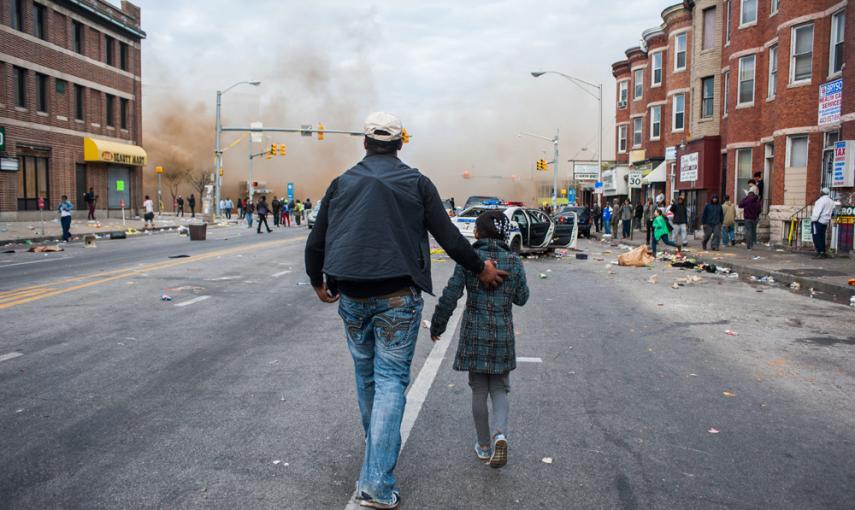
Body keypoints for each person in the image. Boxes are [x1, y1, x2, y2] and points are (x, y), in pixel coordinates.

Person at [305, 112, 507, 509]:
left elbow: (317, 240)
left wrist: (317, 281)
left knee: (367, 378)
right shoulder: (417, 182)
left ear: (365, 143)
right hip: (398, 295)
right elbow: (449, 238)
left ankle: (375, 456)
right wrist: (480, 266)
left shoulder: (341, 183)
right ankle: (377, 483)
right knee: (392, 381)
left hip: (351, 295)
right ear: (400, 143)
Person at [429, 210, 529, 469]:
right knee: (500, 388)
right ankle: (500, 436)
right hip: (503, 334)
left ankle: (484, 446)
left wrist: (438, 323)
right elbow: (522, 298)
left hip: (475, 333)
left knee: (479, 390)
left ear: (478, 233)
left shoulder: (470, 261)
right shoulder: (513, 261)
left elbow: (451, 294)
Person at [811, 188, 835, 259]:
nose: (820, 193)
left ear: (822, 192)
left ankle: (820, 252)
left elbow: (817, 212)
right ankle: (823, 252)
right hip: (825, 221)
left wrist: (813, 219)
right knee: (822, 236)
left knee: (816, 237)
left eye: (820, 192)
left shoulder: (820, 201)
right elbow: (832, 211)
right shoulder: (831, 201)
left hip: (818, 221)